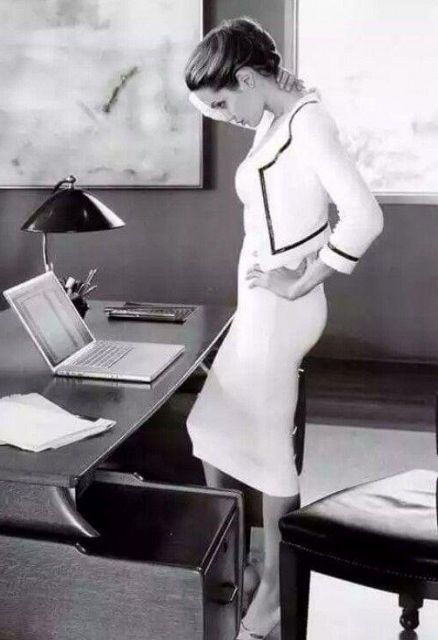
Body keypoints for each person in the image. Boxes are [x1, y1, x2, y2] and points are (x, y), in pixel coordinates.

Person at [184, 16, 384, 640]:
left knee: (270, 449)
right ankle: (243, 560)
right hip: (259, 309)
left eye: (222, 103)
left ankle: (274, 588)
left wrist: (298, 281)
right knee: (209, 427)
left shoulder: (307, 120)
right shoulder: (277, 116)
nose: (222, 116)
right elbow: (285, 204)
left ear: (247, 78)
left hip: (281, 313)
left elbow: (364, 216)